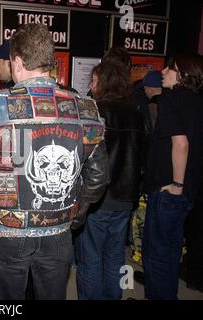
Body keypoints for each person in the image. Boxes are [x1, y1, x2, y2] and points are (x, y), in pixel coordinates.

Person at [0, 24, 108, 300]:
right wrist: (78, 213)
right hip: (59, 232)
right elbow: (98, 175)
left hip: (8, 230)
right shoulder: (85, 107)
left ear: (17, 62)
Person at [74, 61, 146, 300]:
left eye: (93, 80)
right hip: (125, 198)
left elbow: (84, 157)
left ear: (103, 82)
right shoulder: (136, 113)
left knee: (90, 257)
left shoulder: (94, 111)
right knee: (115, 256)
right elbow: (142, 157)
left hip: (99, 198)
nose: (90, 85)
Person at [142, 53, 203, 300]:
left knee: (156, 256)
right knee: (169, 252)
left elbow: (181, 143)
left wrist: (176, 184)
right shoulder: (197, 102)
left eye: (171, 68)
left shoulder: (170, 100)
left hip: (170, 190)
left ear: (184, 75)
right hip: (188, 191)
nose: (163, 71)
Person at [130, 70, 163, 265]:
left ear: (149, 88)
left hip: (152, 173)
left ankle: (141, 255)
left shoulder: (151, 109)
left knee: (143, 218)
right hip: (169, 175)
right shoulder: (172, 106)